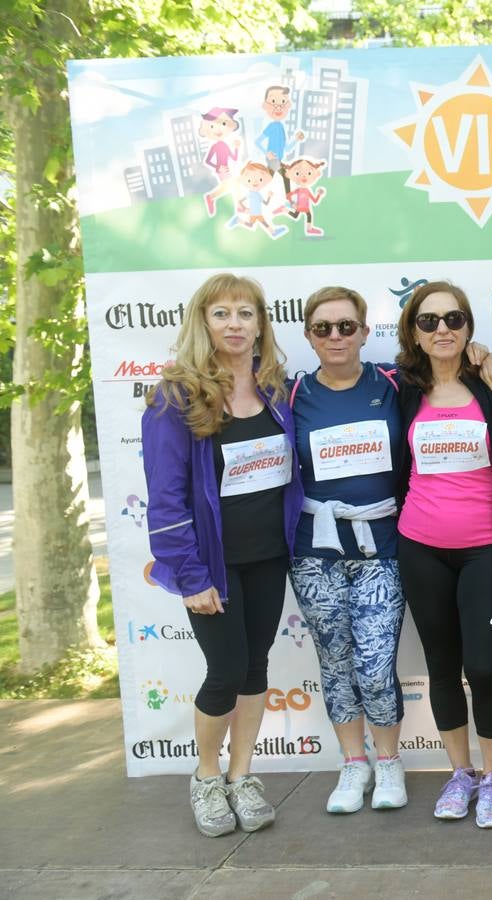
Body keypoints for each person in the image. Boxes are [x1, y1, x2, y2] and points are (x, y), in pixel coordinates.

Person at [141, 273, 303, 837]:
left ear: (261, 322)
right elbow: (164, 499)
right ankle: (206, 779)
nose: (234, 324)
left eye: (245, 313)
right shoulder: (174, 398)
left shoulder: (278, 391)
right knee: (226, 670)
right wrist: (188, 575)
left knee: (255, 668)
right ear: (202, 323)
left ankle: (242, 777)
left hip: (268, 557)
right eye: (221, 314)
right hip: (209, 564)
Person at [393, 281, 492, 828]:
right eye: (428, 321)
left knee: (482, 665)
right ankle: (460, 773)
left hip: (485, 549)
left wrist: (491, 356)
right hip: (420, 546)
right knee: (443, 668)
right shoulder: (399, 390)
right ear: (413, 333)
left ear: (469, 327)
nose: (442, 329)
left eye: (453, 319)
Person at [287, 286, 407, 815]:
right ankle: (352, 764)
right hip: (314, 550)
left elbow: (455, 373)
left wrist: (485, 354)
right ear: (309, 336)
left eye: (345, 326)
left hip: (383, 545)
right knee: (335, 660)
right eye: (322, 328)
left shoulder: (395, 383)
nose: (335, 336)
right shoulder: (289, 394)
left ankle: (388, 763)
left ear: (364, 331)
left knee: (376, 664)